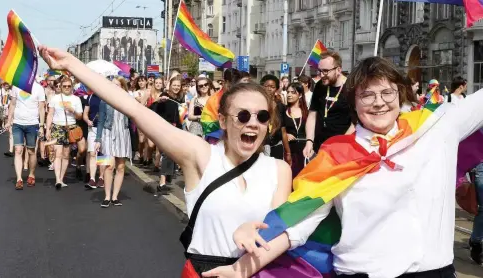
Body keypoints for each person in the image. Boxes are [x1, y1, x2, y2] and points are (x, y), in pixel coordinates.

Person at [205, 56, 483, 278]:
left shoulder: (436, 129)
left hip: (434, 272)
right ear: (353, 103)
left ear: (401, 94)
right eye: (367, 95)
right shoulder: (337, 155)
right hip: (361, 272)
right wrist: (242, 269)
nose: (379, 102)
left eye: (387, 92)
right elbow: (298, 226)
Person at [38, 46, 292, 276]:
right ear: (223, 121)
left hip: (255, 272)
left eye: (262, 116)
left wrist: (253, 234)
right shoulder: (201, 155)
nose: (253, 123)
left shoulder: (279, 170)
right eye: (244, 115)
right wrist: (72, 64)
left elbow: (282, 232)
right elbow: (134, 109)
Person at [303, 51, 352, 158]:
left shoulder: (351, 88)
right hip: (318, 149)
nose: (321, 75)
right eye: (319, 71)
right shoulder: (320, 86)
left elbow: (355, 123)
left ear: (338, 70)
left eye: (325, 71)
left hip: (341, 152)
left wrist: (342, 146)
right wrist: (309, 141)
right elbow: (312, 115)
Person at [95, 76, 133, 207]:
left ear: (122, 86)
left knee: (121, 166)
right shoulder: (104, 100)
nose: (115, 87)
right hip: (107, 133)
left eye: (118, 85)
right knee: (108, 165)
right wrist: (98, 139)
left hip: (123, 133)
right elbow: (100, 121)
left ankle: (115, 196)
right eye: (112, 85)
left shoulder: (128, 100)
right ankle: (106, 196)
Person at [6, 82, 46, 190]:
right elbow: (13, 104)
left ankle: (31, 174)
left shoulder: (39, 88)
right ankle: (19, 179)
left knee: (31, 151)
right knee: (18, 150)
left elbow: (42, 108)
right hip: (17, 123)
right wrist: (9, 121)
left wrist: (42, 126)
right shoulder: (16, 86)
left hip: (32, 124)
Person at [45, 77, 83, 189]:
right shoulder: (55, 98)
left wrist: (72, 110)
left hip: (70, 128)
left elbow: (79, 116)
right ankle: (57, 179)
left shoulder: (76, 99)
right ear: (61, 87)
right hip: (57, 127)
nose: (67, 88)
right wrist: (48, 129)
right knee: (58, 154)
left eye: (69, 86)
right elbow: (50, 114)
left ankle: (61, 178)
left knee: (66, 155)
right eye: (64, 86)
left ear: (72, 87)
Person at [260, 75, 291, 165]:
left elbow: (283, 130)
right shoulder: (258, 104)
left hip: (277, 145)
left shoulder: (281, 106)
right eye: (266, 86)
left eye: (272, 87)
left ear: (276, 89)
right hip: (262, 145)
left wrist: (288, 152)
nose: (269, 89)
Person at [284, 82, 308, 178]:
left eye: (293, 92)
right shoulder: (283, 110)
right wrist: (286, 134)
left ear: (300, 95)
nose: (289, 95)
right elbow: (277, 128)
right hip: (288, 150)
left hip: (303, 150)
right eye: (288, 92)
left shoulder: (307, 112)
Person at [83, 90, 105, 189]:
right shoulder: (90, 97)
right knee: (92, 153)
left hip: (105, 129)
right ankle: (92, 179)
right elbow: (85, 113)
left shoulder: (106, 97)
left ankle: (101, 177)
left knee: (103, 154)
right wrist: (87, 120)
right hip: (93, 128)